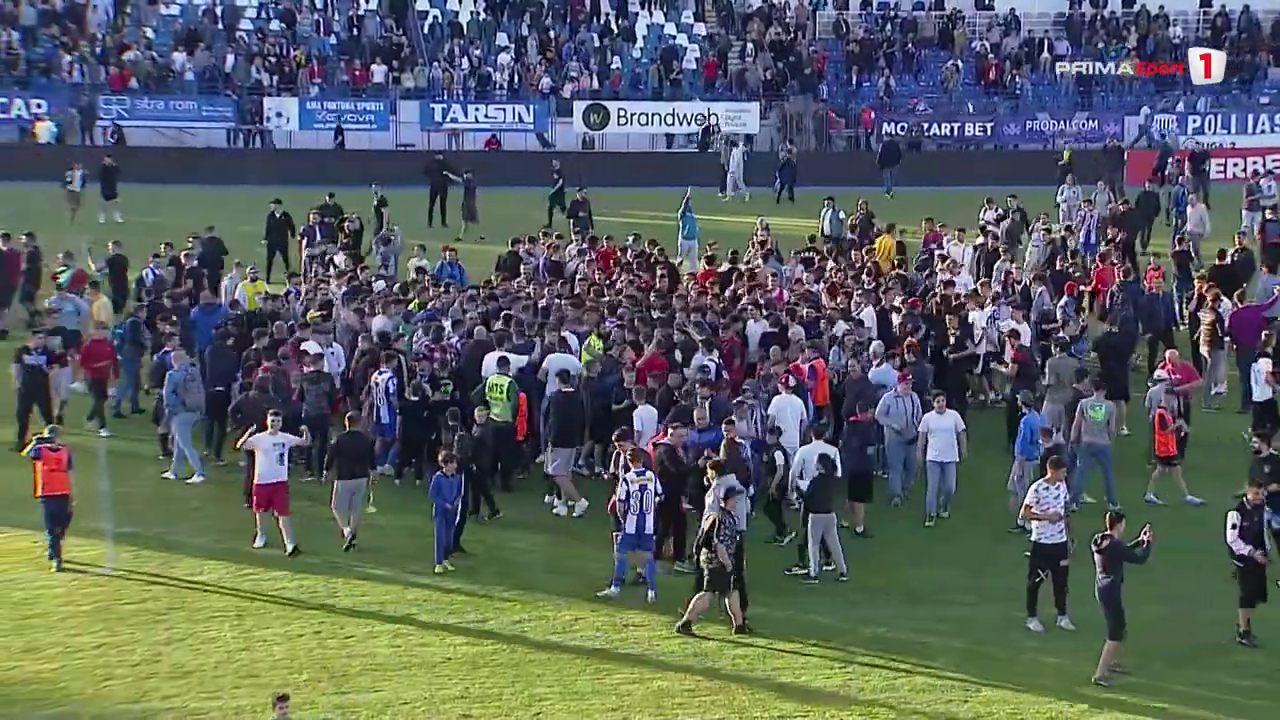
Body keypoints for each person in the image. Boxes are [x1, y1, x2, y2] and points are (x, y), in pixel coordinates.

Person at [1090, 510, 1153, 687]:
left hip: (1102, 589)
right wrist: (1147, 544)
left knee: (1120, 627)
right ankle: (1100, 674)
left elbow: (1123, 551)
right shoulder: (1115, 545)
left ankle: (1112, 662)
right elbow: (1139, 558)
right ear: (1118, 525)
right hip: (1111, 592)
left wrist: (1139, 541)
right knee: (1115, 633)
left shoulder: (1100, 540)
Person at [236, 409, 311, 557]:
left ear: (281, 423)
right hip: (262, 481)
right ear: (267, 421)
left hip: (280, 482)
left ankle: (289, 543)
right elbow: (240, 445)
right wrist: (248, 433)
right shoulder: (259, 438)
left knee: (283, 513)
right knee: (261, 511)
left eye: (277, 421)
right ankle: (261, 535)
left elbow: (305, 442)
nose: (275, 424)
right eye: (272, 421)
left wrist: (306, 431)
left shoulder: (285, 438)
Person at [675, 484, 746, 637]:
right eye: (734, 498)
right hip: (718, 562)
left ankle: (739, 625)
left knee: (732, 590)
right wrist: (727, 564)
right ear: (727, 500)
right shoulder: (724, 519)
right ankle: (686, 622)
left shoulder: (718, 515)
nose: (736, 501)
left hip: (713, 560)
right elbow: (720, 545)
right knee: (708, 593)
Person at [597, 447, 662, 603]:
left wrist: (623, 519)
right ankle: (651, 591)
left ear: (628, 461)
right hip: (647, 524)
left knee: (621, 554)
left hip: (631, 523)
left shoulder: (627, 478)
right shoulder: (651, 476)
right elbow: (660, 495)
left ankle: (615, 587)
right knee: (648, 556)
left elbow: (620, 504)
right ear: (642, 459)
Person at [1021, 454, 1076, 633]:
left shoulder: (1062, 486)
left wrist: (1069, 533)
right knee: (1035, 581)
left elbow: (1065, 509)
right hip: (1042, 543)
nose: (1065, 474)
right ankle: (1031, 618)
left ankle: (1062, 616)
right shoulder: (1037, 488)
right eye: (1063, 471)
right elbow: (1025, 513)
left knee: (1061, 581)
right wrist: (1046, 517)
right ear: (1053, 471)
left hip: (1060, 542)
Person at [1227, 479, 1271, 648]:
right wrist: (1252, 553)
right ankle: (1244, 631)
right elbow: (1232, 540)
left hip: (1259, 557)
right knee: (1248, 594)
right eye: (1256, 494)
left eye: (1261, 494)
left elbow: (1263, 531)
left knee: (1260, 595)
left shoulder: (1262, 509)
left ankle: (1243, 622)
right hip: (1244, 560)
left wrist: (1265, 552)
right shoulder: (1236, 513)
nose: (1259, 497)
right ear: (1247, 492)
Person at [23, 425, 72, 572]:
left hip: (64, 491)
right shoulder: (40, 450)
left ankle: (53, 548)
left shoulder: (65, 451)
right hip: (47, 493)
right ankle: (57, 559)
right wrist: (34, 442)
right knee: (53, 528)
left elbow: (70, 471)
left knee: (62, 525)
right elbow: (26, 453)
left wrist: (72, 493)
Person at [325, 412, 376, 551]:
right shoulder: (366, 440)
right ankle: (353, 536)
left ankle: (346, 530)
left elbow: (331, 456)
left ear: (346, 422)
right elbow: (371, 458)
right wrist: (373, 470)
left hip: (344, 477)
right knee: (356, 508)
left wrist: (326, 470)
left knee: (336, 506)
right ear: (359, 423)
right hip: (361, 477)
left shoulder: (339, 439)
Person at [917, 391, 967, 527]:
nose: (941, 404)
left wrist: (963, 448)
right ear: (933, 403)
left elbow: (961, 432)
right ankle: (930, 514)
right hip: (933, 458)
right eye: (938, 401)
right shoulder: (927, 418)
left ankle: (944, 505)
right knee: (932, 488)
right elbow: (922, 437)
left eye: (943, 401)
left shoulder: (954, 416)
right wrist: (919, 453)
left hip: (950, 457)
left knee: (950, 487)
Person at [546, 368, 589, 518]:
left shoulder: (555, 397)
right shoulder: (578, 396)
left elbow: (550, 420)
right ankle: (562, 505)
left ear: (558, 380)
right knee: (566, 472)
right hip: (572, 439)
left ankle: (579, 500)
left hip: (558, 439)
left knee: (556, 473)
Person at [161, 349, 207, 485]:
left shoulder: (172, 375)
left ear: (173, 361)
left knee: (186, 444)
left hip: (181, 413)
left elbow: (168, 395)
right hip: (195, 411)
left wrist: (171, 411)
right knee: (179, 444)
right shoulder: (194, 372)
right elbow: (201, 391)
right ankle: (174, 471)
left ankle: (199, 472)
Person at [801, 454, 848, 584]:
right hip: (830, 515)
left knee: (813, 545)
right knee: (835, 544)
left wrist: (799, 492)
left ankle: (814, 573)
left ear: (820, 465)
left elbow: (808, 498)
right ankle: (842, 571)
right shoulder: (833, 480)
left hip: (816, 516)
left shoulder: (816, 481)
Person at [13, 328, 56, 451]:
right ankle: (21, 441)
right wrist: (16, 381)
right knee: (22, 415)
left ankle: (51, 441)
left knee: (47, 414)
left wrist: (46, 368)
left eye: (43, 338)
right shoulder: (22, 350)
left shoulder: (48, 352)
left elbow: (53, 368)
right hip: (26, 388)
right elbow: (16, 366)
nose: (42, 341)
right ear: (33, 338)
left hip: (42, 388)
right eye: (39, 338)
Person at [429, 450, 464, 574]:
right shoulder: (437, 478)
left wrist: (456, 502)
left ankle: (445, 559)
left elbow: (460, 493)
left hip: (452, 512)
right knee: (440, 536)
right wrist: (444, 504)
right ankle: (438, 563)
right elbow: (433, 495)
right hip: (440, 511)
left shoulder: (457, 478)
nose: (456, 465)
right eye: (453, 463)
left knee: (449, 537)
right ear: (447, 464)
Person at [263, 198, 297, 283]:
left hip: (283, 241)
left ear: (278, 205)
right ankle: (267, 279)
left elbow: (291, 226)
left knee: (286, 260)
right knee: (269, 261)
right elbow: (268, 228)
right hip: (272, 242)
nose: (271, 206)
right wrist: (265, 238)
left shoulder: (286, 215)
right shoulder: (270, 216)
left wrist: (293, 235)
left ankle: (289, 278)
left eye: (273, 205)